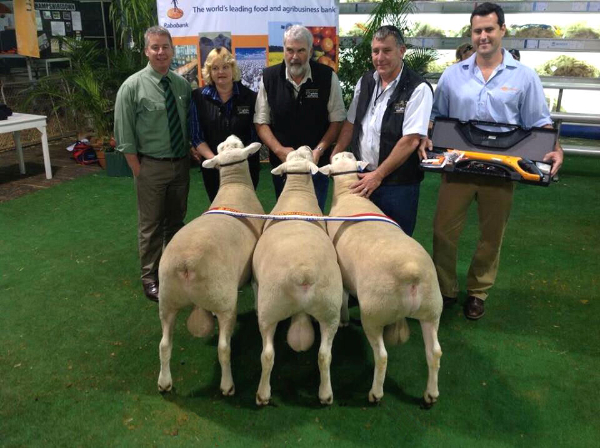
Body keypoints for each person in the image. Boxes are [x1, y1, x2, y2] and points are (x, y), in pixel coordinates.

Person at [425, 2, 563, 320]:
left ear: (502, 30)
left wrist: (558, 148)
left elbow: (540, 123)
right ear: (470, 34)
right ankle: (445, 289)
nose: (483, 36)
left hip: (503, 170)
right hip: (457, 166)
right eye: (477, 31)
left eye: (489, 29)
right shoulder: (452, 75)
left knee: (491, 235)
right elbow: (435, 118)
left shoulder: (525, 77)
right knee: (443, 230)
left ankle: (478, 291)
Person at [330, 25, 433, 236]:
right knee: (360, 239)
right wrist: (336, 154)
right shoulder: (366, 81)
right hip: (361, 178)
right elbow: (351, 123)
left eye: (386, 51)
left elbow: (411, 140)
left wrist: (378, 175)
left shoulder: (418, 88)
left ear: (402, 50)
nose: (380, 57)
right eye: (375, 51)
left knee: (396, 242)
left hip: (397, 185)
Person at [114, 26, 192, 302]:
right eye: (155, 47)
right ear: (146, 51)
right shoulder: (132, 87)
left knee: (176, 222)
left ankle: (170, 270)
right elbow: (124, 135)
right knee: (150, 226)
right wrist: (139, 170)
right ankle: (150, 277)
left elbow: (186, 126)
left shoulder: (181, 85)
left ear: (172, 50)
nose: (161, 52)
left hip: (180, 166)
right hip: (150, 167)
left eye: (165, 47)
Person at [254, 25, 346, 211]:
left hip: (317, 166)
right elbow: (261, 121)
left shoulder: (328, 77)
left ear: (311, 51)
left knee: (315, 215)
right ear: (284, 50)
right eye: (290, 50)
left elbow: (337, 120)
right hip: (283, 166)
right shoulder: (269, 78)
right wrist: (279, 151)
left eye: (301, 50)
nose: (294, 57)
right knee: (286, 215)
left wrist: (319, 150)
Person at [189, 47, 260, 202]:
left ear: (232, 69)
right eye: (215, 68)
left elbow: (256, 135)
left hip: (245, 167)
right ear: (209, 72)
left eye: (225, 67)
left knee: (245, 207)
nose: (221, 72)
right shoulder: (198, 98)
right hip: (214, 170)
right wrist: (216, 161)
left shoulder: (251, 97)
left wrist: (239, 160)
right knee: (219, 212)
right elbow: (196, 136)